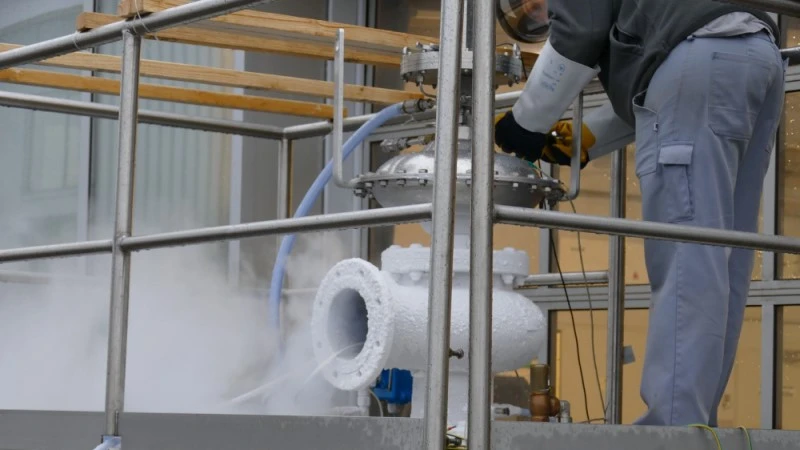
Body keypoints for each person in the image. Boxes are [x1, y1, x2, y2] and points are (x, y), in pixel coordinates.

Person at [494, 0, 786, 426]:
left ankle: (672, 426)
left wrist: (528, 119)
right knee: (724, 254)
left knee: (686, 253)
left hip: (700, 53)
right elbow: (667, 78)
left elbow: (581, 29)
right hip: (755, 57)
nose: (543, 15)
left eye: (539, 12)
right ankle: (696, 420)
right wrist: (585, 138)